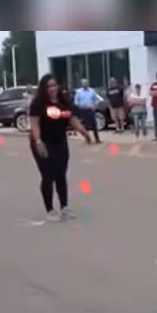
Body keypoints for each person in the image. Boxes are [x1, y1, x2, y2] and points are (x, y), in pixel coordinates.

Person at [28, 74, 93, 222]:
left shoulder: (63, 101)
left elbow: (72, 119)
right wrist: (38, 142)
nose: (52, 89)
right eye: (49, 86)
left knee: (61, 174)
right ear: (44, 88)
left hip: (60, 141)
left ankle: (64, 207)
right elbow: (35, 124)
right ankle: (50, 210)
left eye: (54, 85)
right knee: (48, 175)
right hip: (43, 142)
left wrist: (84, 133)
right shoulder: (38, 104)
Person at [73, 79, 102, 144]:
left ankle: (97, 139)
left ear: (88, 83)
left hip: (90, 109)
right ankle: (88, 139)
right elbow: (76, 101)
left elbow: (97, 99)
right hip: (83, 110)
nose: (85, 84)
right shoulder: (79, 92)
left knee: (94, 125)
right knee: (85, 126)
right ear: (81, 84)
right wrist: (79, 106)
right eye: (83, 83)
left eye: (86, 83)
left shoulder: (92, 91)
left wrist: (95, 106)